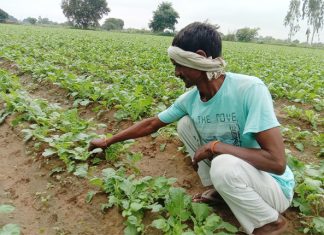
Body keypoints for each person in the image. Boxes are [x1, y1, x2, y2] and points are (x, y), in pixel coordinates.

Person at [89, 22, 295, 235]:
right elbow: (151, 124)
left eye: (178, 64)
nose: (176, 72)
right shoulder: (190, 99)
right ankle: (221, 189)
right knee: (185, 124)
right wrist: (107, 141)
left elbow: (277, 163)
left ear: (199, 56)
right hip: (238, 174)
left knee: (223, 163)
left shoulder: (249, 89)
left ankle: (269, 223)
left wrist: (215, 147)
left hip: (273, 188)